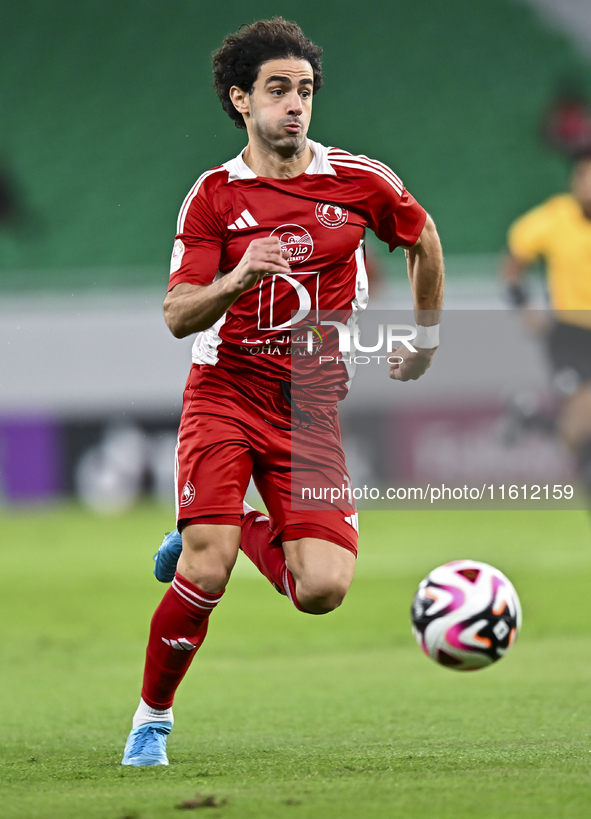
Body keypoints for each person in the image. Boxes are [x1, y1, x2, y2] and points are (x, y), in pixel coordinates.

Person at [122, 17, 444, 766]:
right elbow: (176, 315)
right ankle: (151, 721)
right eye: (276, 90)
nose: (294, 105)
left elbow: (422, 240)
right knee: (207, 565)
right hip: (226, 392)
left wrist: (426, 341)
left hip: (310, 408)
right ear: (241, 100)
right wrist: (237, 276)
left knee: (323, 590)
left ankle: (229, 518)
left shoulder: (360, 181)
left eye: (303, 91)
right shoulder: (211, 197)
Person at [502, 148, 591, 500]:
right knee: (581, 419)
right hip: (570, 334)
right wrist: (525, 307)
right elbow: (513, 263)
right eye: (585, 176)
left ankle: (533, 419)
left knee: (575, 432)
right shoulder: (555, 217)